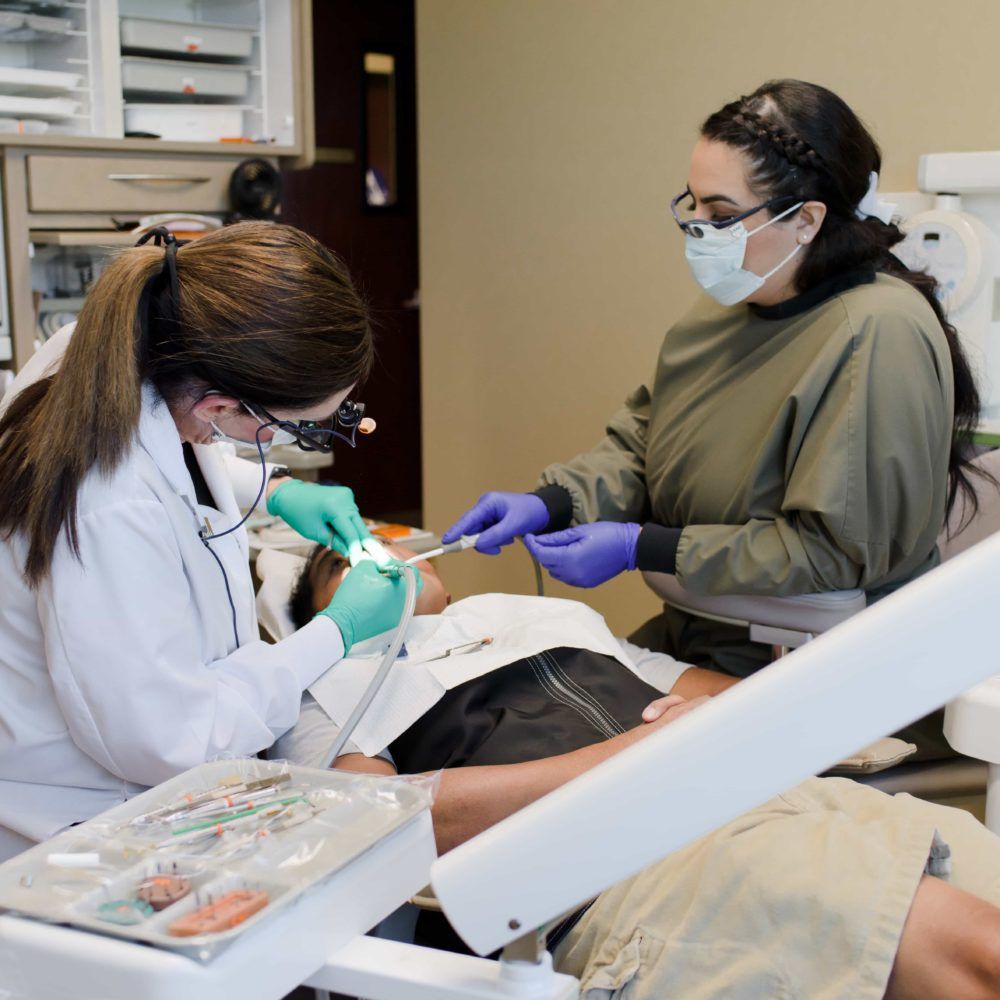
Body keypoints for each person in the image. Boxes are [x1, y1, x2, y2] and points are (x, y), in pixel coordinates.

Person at [443, 79, 985, 695]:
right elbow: (642, 441)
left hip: (816, 666)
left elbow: (833, 554)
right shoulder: (726, 310)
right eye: (693, 205)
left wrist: (639, 547)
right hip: (697, 632)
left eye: (722, 215)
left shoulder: (875, 335)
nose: (698, 230)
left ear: (807, 219)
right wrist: (554, 501)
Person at [279, 549, 1000, 999]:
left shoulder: (536, 613)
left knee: (977, 877)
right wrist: (639, 761)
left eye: (385, 536)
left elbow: (720, 696)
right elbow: (380, 816)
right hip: (630, 871)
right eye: (343, 558)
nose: (380, 550)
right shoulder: (333, 681)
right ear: (323, 608)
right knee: (974, 952)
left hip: (775, 798)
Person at [0, 222, 414, 861]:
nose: (288, 443)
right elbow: (171, 739)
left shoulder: (111, 351)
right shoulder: (110, 505)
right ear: (220, 407)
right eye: (291, 429)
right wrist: (336, 631)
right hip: (81, 825)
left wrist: (271, 489)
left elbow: (171, 448)